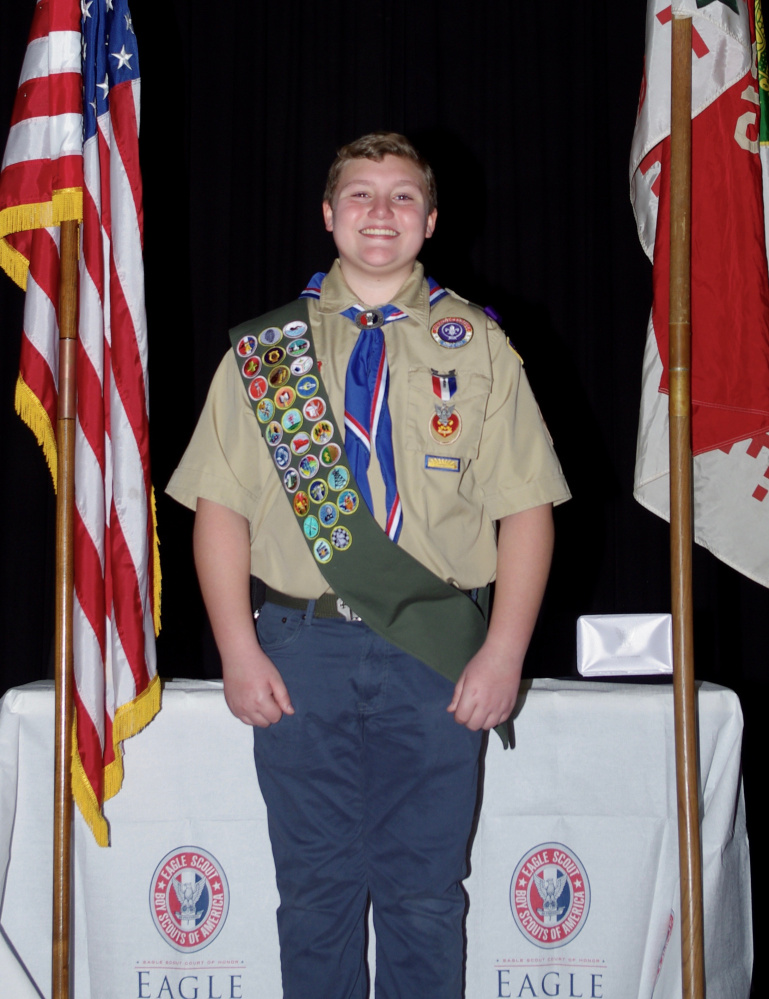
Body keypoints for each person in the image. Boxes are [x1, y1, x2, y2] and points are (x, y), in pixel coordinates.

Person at [166, 132, 570, 999]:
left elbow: (525, 510)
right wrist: (236, 649)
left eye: (398, 197)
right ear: (327, 213)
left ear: (429, 219)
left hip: (436, 650)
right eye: (359, 195)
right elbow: (219, 510)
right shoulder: (268, 354)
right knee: (313, 894)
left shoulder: (481, 347)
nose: (378, 213)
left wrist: (502, 651)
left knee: (425, 897)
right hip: (297, 647)